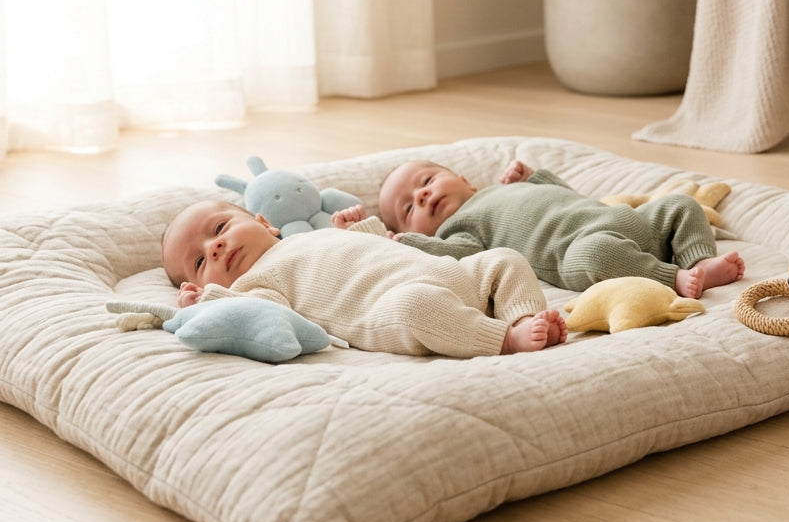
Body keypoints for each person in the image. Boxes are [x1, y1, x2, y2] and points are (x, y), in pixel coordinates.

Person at [161, 199, 567, 357]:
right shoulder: (254, 285)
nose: (214, 247)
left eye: (219, 229)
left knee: (503, 259)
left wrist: (360, 229)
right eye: (199, 262)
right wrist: (210, 300)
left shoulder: (310, 236)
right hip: (394, 304)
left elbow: (374, 251)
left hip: (443, 274)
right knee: (418, 309)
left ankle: (521, 317)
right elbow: (265, 314)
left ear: (265, 223)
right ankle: (504, 341)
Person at [361, 159, 745, 298]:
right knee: (598, 256)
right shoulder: (456, 231)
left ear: (465, 179)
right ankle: (675, 277)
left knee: (681, 205)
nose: (424, 195)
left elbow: (568, 196)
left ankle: (701, 259)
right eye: (409, 207)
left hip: (623, 221)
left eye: (427, 179)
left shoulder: (502, 189)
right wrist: (405, 243)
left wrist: (535, 177)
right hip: (581, 248)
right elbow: (460, 256)